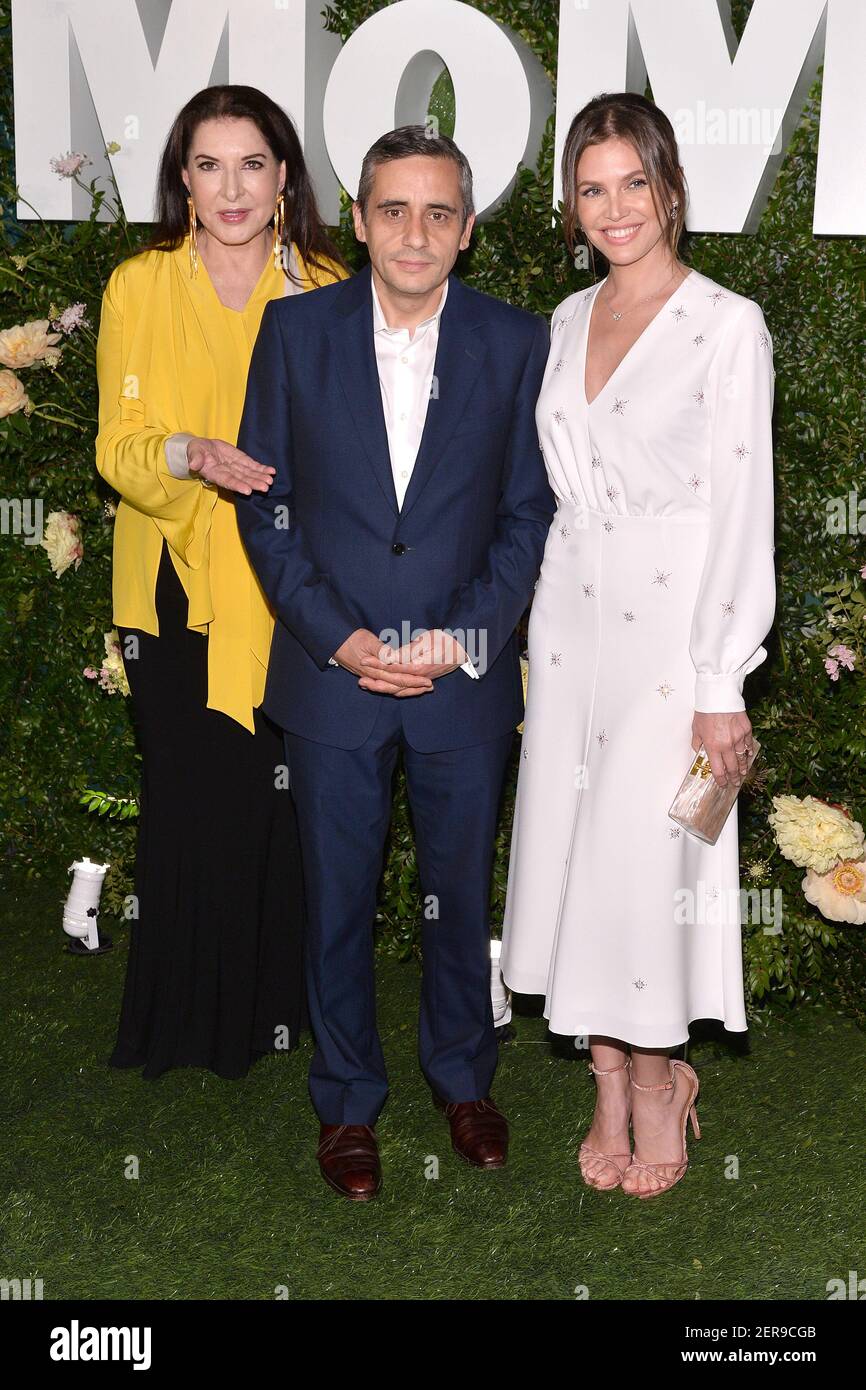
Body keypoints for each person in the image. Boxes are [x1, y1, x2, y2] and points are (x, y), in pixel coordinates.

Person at [234, 126, 555, 1199]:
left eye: (436, 213)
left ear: (465, 230)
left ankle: (464, 1079)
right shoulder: (291, 332)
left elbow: (524, 516)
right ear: (359, 216)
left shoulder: (515, 345)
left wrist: (456, 642)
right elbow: (267, 510)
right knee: (336, 900)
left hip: (461, 684)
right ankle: (345, 1099)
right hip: (332, 675)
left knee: (458, 896)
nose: (412, 233)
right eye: (391, 210)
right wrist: (340, 635)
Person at [500, 92, 776, 1198]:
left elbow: (739, 506)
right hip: (570, 619)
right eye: (590, 186)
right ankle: (605, 1079)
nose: (613, 208)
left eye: (631, 183)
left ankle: (660, 1079)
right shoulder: (565, 320)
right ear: (571, 203)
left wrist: (720, 679)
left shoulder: (726, 322)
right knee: (575, 856)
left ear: (668, 188)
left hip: (673, 632)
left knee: (643, 861)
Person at [95, 85, 348, 1079]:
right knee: (192, 798)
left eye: (252, 164)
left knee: (282, 805)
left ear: (284, 176)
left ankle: (277, 1013)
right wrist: (188, 453)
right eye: (209, 165)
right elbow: (117, 448)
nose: (231, 187)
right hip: (167, 579)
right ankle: (181, 1025)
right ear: (183, 183)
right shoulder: (138, 285)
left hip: (293, 586)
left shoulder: (329, 284)